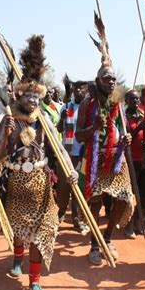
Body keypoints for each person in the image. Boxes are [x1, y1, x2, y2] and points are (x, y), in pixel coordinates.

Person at [0, 35, 78, 290]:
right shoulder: (10, 118)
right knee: (19, 229)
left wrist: (70, 168)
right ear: (20, 96)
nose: (31, 100)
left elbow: (60, 148)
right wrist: (6, 135)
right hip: (17, 182)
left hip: (40, 182)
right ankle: (18, 258)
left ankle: (35, 281)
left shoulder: (44, 121)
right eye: (27, 95)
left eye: (35, 96)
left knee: (40, 232)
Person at [75, 15, 134, 266]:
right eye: (106, 79)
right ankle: (94, 244)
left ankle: (107, 237)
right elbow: (79, 135)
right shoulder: (87, 104)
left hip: (117, 160)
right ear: (97, 80)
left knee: (123, 199)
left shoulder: (118, 103)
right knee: (95, 202)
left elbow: (122, 126)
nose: (111, 82)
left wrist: (126, 136)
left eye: (113, 79)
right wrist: (93, 127)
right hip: (96, 161)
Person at [56, 76, 89, 233]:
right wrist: (62, 120)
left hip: (82, 154)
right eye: (75, 88)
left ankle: (76, 219)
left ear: (86, 91)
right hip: (66, 154)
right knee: (63, 187)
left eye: (81, 88)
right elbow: (59, 128)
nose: (77, 90)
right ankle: (61, 213)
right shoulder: (66, 107)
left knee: (79, 187)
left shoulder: (88, 108)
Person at [124, 89, 145, 238]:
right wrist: (138, 129)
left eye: (137, 99)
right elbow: (126, 137)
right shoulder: (123, 117)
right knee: (131, 193)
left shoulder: (144, 117)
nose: (135, 102)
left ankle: (138, 220)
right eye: (132, 99)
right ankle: (129, 224)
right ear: (127, 101)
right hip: (131, 159)